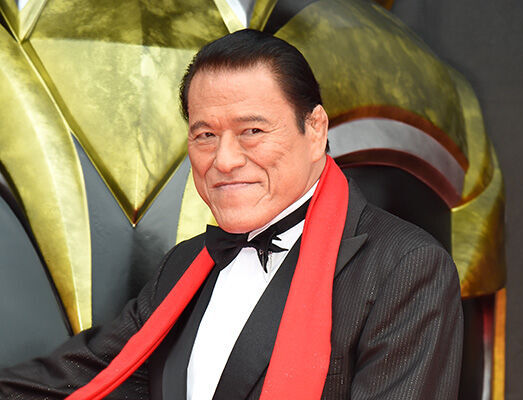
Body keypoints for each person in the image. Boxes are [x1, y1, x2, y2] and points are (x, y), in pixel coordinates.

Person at [0, 29, 463, 399]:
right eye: (205, 135)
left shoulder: (407, 268)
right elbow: (77, 380)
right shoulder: (183, 267)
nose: (223, 160)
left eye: (252, 131)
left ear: (315, 129)